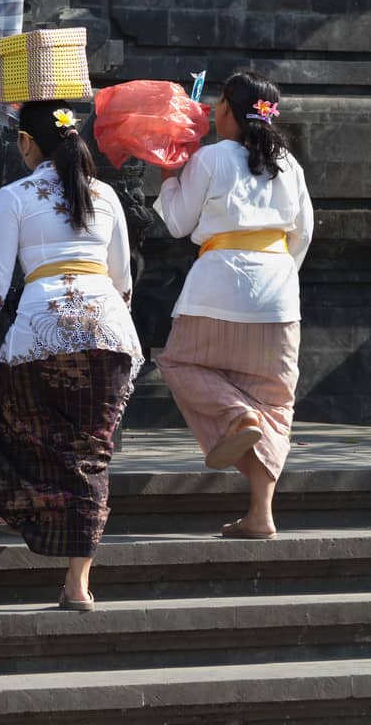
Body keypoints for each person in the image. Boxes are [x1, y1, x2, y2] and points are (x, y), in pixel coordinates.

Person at [0, 102, 142, 611]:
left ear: (26, 143)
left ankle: (24, 504)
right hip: (108, 331)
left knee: (10, 414)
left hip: (41, 328)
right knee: (91, 455)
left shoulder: (15, 195)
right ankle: (78, 584)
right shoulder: (105, 193)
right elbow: (123, 279)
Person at [155, 70, 313, 540]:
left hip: (217, 285)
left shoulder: (210, 158)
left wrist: (169, 177)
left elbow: (178, 224)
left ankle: (233, 414)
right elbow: (303, 234)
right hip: (279, 292)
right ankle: (261, 513)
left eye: (220, 104)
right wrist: (281, 277)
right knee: (275, 403)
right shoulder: (290, 163)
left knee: (181, 364)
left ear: (227, 110)